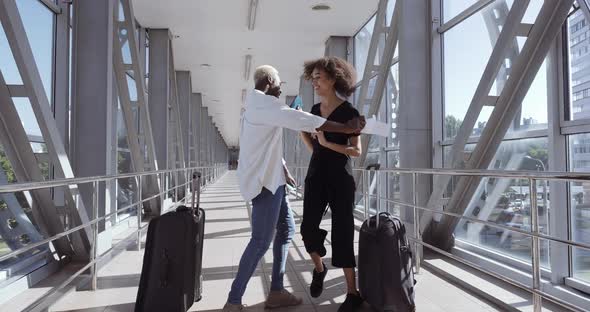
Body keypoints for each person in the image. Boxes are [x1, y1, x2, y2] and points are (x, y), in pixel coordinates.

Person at [223, 65, 365, 311]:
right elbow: (305, 122)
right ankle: (234, 301)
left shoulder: (255, 107)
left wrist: (283, 168)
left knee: (287, 229)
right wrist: (345, 128)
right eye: (278, 84)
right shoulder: (266, 105)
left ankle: (277, 290)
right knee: (260, 241)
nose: (280, 90)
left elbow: (266, 141)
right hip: (265, 184)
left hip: (275, 179)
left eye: (319, 79)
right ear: (269, 80)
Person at [299, 57, 364, 312]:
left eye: (318, 77)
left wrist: (327, 145)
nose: (314, 82)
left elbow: (356, 151)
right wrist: (314, 146)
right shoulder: (313, 111)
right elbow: (308, 138)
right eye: (312, 77)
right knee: (306, 229)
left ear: (333, 79)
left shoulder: (350, 113)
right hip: (316, 175)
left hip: (340, 177)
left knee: (343, 231)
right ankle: (320, 267)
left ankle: (352, 292)